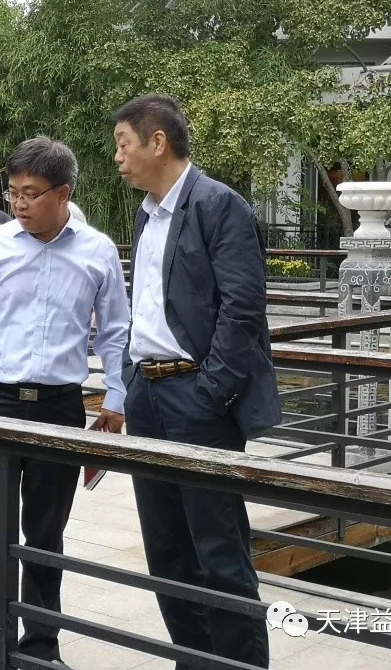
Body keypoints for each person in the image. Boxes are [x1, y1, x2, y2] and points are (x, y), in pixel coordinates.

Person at [108, 93, 281, 669]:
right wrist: (131, 378)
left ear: (157, 142)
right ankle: (195, 659)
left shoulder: (218, 204)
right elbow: (149, 304)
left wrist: (210, 393)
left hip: (195, 397)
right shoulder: (147, 213)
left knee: (219, 551)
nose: (118, 157)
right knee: (167, 551)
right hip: (148, 393)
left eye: (124, 144)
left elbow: (242, 309)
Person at [0, 137, 129, 670]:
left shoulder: (97, 251)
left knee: (45, 534)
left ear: (63, 193)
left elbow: (115, 332)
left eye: (31, 193)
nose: (19, 204)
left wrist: (116, 396)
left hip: (59, 407)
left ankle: (40, 649)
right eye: (14, 192)